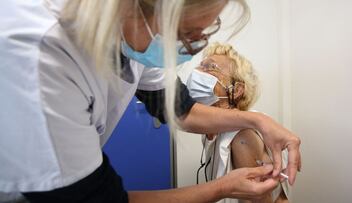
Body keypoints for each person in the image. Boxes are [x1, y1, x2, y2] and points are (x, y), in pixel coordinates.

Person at [0, 0, 301, 202]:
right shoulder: (37, 54)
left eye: (202, 32)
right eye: (184, 33)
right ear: (131, 8)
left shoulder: (134, 38)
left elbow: (182, 109)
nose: (194, 52)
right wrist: (223, 187)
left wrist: (257, 120)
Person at [186, 43, 290, 203]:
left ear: (236, 90)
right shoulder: (210, 129)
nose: (198, 72)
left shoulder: (242, 135)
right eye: (200, 66)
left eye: (210, 67)